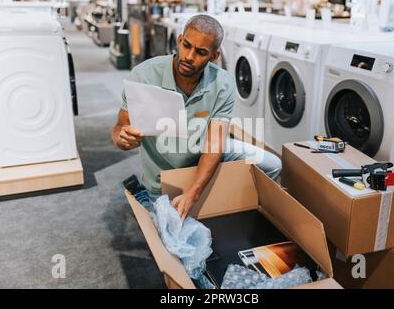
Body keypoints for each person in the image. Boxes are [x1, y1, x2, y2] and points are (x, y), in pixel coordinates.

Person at [112, 14, 281, 220]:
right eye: (187, 45)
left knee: (272, 164)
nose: (189, 57)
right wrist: (122, 138)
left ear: (214, 56)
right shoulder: (144, 75)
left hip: (205, 148)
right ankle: (146, 195)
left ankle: (235, 202)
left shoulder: (224, 83)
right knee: (171, 233)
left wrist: (192, 194)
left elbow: (215, 144)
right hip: (163, 171)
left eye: (200, 52)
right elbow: (120, 127)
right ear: (180, 40)